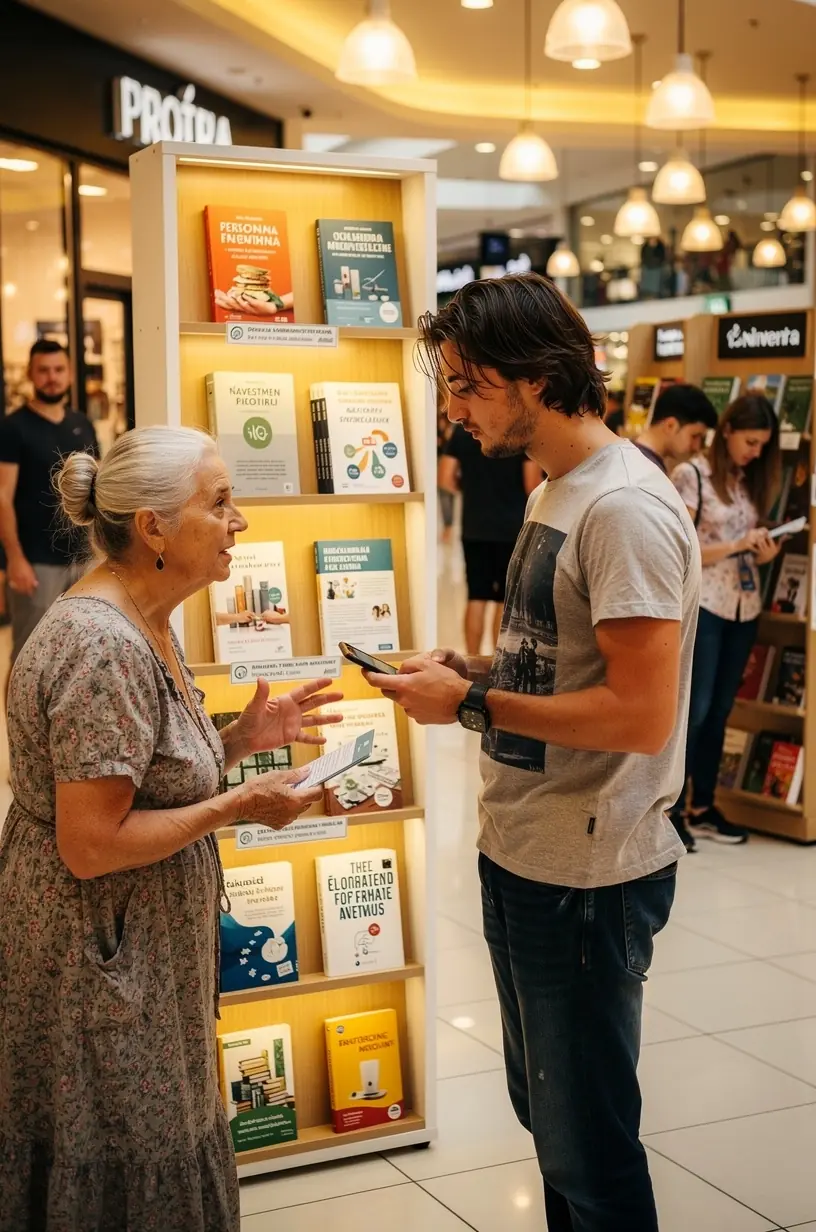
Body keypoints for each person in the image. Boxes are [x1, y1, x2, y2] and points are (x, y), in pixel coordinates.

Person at [366, 273, 701, 1231]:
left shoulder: (624, 509)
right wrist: (470, 666)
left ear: (537, 379)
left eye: (468, 386)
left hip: (589, 871)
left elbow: (640, 715)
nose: (453, 410)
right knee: (551, 1125)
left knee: (589, 1147)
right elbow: (562, 660)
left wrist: (471, 702)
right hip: (525, 845)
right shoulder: (558, 488)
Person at [0, 426, 343, 1230]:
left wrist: (238, 741)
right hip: (99, 954)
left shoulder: (144, 616)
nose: (239, 521)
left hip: (133, 944)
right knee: (118, 1143)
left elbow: (141, 770)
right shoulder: (102, 646)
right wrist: (237, 804)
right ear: (153, 528)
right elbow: (92, 844)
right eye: (219, 503)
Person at [671, 394, 781, 849]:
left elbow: (745, 542)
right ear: (729, 430)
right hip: (705, 604)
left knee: (719, 712)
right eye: (751, 442)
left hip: (743, 605)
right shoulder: (691, 474)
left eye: (762, 446)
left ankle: (703, 806)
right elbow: (680, 547)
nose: (755, 452)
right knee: (694, 712)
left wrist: (763, 552)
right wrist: (737, 546)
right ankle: (670, 810)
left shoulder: (743, 481)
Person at [0, 340, 99, 680]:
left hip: (83, 557)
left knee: (81, 655)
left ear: (70, 374)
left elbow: (97, 486)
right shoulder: (13, 428)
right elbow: (2, 497)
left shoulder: (82, 424)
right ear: (30, 374)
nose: (52, 378)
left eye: (59, 370)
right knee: (28, 660)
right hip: (36, 562)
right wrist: (14, 559)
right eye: (43, 370)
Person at [439, 421, 540, 654]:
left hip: (474, 526)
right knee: (505, 599)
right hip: (512, 528)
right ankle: (497, 662)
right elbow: (532, 484)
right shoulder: (519, 429)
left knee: (476, 596)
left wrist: (470, 488)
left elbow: (444, 477)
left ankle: (472, 660)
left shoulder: (463, 431)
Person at [634, 383, 719, 474]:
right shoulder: (645, 470)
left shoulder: (635, 458)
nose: (696, 447)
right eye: (694, 436)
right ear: (670, 426)